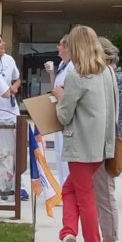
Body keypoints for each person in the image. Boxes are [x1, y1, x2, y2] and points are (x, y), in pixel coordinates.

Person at [53, 26, 118, 242]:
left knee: (84, 196)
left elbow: (64, 114)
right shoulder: (107, 73)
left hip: (80, 145)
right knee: (70, 190)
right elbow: (113, 108)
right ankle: (68, 233)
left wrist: (59, 97)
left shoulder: (77, 75)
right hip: (101, 145)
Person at [93, 37, 122, 242]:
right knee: (102, 193)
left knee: (106, 193)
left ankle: (110, 241)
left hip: (111, 139)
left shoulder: (115, 79)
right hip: (109, 138)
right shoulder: (112, 77)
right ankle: (106, 238)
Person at [46, 35, 72, 186]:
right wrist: (51, 73)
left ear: (68, 47)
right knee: (59, 152)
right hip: (59, 110)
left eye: (60, 45)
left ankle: (67, 186)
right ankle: (63, 186)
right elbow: (55, 88)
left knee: (65, 153)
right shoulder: (63, 63)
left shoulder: (74, 66)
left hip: (66, 114)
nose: (58, 48)